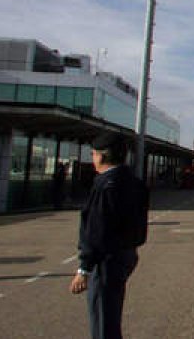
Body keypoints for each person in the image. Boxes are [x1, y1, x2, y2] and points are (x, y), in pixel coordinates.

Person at [69, 132, 149, 339]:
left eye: (93, 154)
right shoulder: (135, 183)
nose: (93, 159)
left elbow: (97, 229)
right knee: (111, 314)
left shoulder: (106, 185)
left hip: (106, 259)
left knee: (103, 319)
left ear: (102, 156)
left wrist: (84, 268)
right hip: (127, 253)